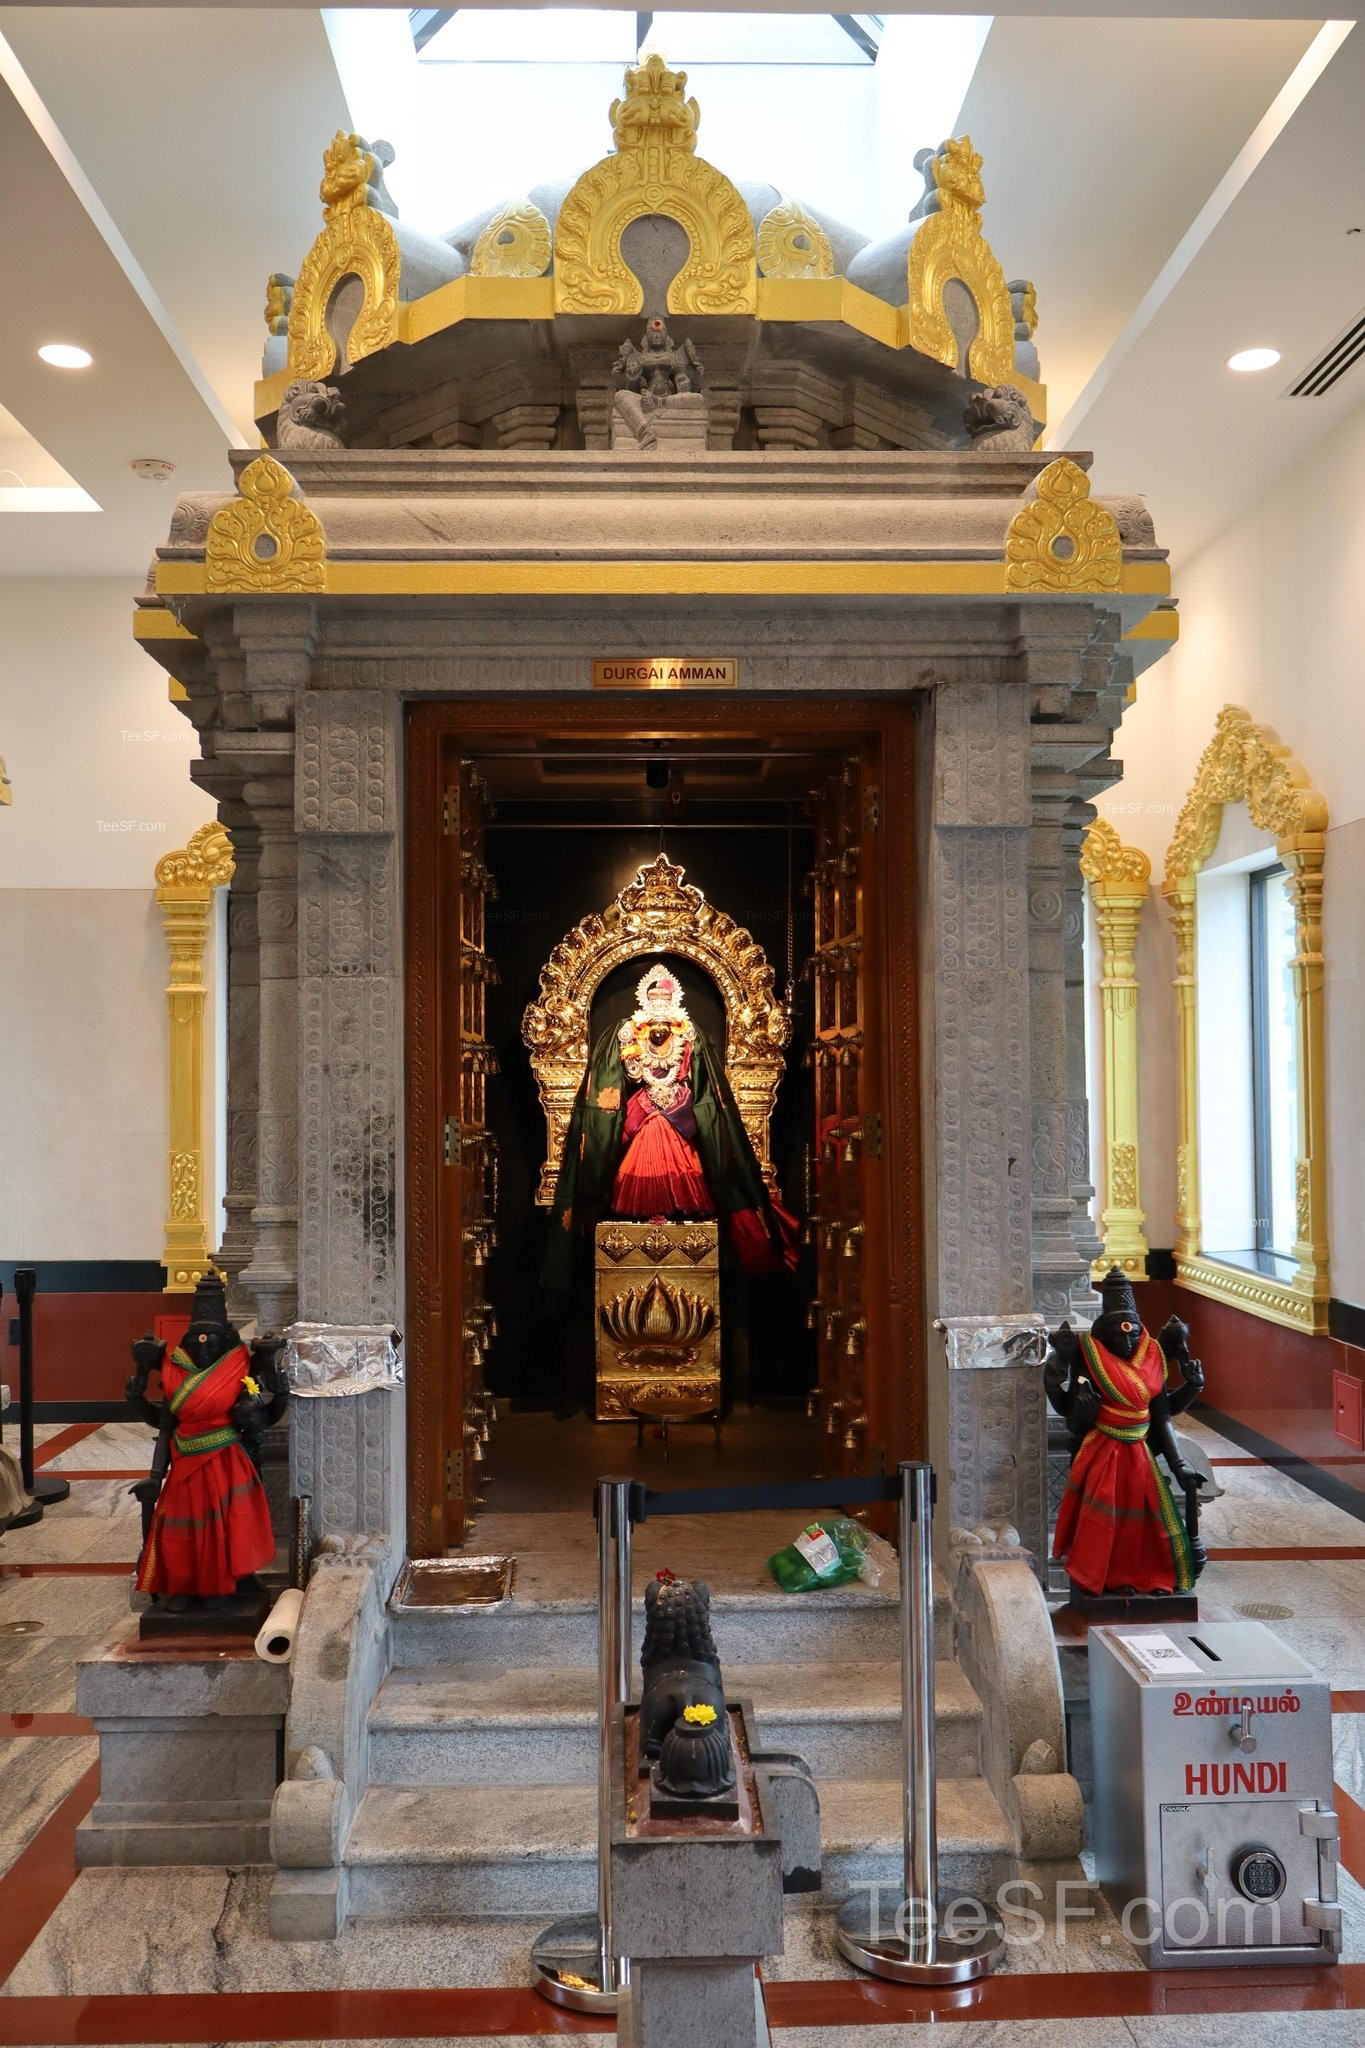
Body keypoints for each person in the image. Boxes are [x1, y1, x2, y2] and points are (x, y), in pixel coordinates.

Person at [540, 959, 798, 1301]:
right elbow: (628, 1078)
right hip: (645, 1113)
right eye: (654, 1002)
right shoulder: (631, 1034)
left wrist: (677, 1091)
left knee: (685, 1170)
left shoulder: (687, 1037)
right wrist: (632, 1061)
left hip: (678, 1115)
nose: (659, 1011)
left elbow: (701, 1083)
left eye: (665, 1001)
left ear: (673, 1004)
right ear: (646, 1003)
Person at [1048, 1267, 1201, 1598]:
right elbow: (1071, 1412)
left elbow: (1163, 1415)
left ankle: (1149, 1575)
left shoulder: (1153, 1356)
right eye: (1120, 1334)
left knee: (1145, 1525)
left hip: (1140, 1453)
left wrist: (1177, 1464)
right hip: (1103, 1449)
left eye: (1133, 1334)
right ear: (1105, 1331)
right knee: (1104, 1522)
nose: (1128, 1341)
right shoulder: (1090, 1355)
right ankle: (1107, 1577)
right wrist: (1078, 1406)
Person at [133, 1276, 277, 1601]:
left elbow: (265, 1417)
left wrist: (275, 1391)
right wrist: (155, 1475)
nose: (203, 1349)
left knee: (230, 1526)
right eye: (197, 1343)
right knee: (180, 1530)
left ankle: (226, 1581)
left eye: (211, 1343)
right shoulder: (175, 1372)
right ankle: (184, 1586)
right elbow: (165, 1424)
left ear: (224, 1342)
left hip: (227, 1458)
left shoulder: (238, 1368)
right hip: (184, 1461)